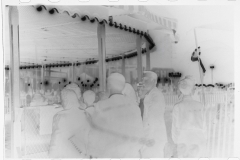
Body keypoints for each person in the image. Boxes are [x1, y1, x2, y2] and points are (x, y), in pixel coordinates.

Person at [86, 73, 144, 158]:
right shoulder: (135, 107)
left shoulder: (101, 105)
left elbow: (94, 136)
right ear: (123, 87)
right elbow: (140, 135)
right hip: (131, 155)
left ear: (108, 86)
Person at [48, 88, 90, 158]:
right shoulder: (85, 114)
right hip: (82, 153)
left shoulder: (59, 116)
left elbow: (56, 139)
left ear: (64, 100)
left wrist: (51, 155)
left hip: (66, 154)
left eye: (61, 99)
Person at [171, 76, 207, 158]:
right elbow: (204, 125)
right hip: (197, 137)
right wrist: (204, 138)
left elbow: (174, 127)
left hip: (182, 138)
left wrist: (176, 141)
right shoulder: (200, 105)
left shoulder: (177, 107)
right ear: (192, 90)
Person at [138, 71, 167, 158]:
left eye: (146, 80)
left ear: (154, 81)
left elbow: (153, 118)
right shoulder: (149, 94)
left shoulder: (156, 95)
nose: (143, 82)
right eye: (143, 80)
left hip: (153, 139)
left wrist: (149, 137)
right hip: (150, 138)